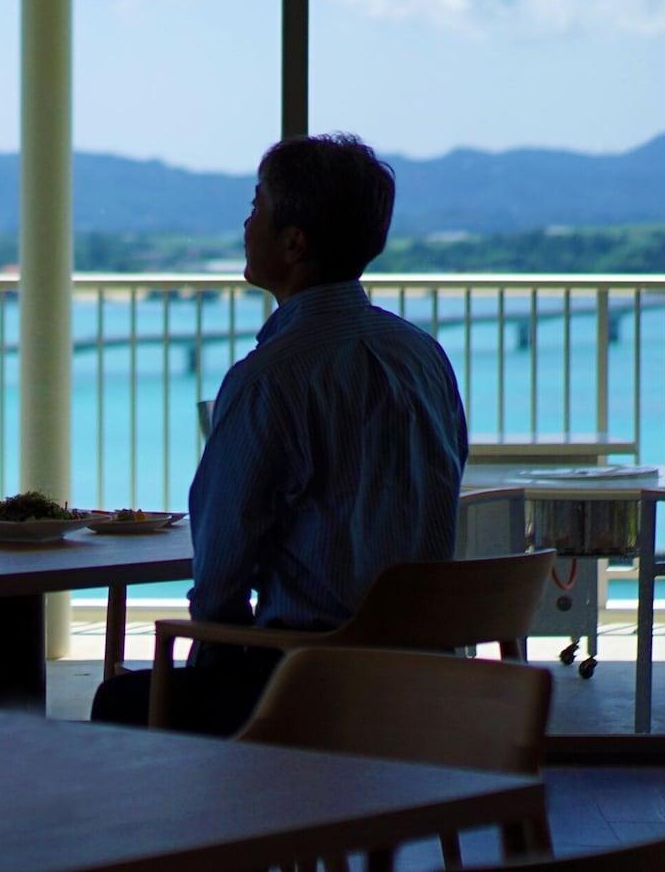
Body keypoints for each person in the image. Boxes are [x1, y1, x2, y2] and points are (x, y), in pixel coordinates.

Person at [92, 132, 467, 735]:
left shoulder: (270, 379)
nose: (246, 225)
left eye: (256, 207)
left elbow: (220, 580)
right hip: (422, 678)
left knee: (118, 700)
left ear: (294, 243)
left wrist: (215, 652)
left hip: (313, 685)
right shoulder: (422, 356)